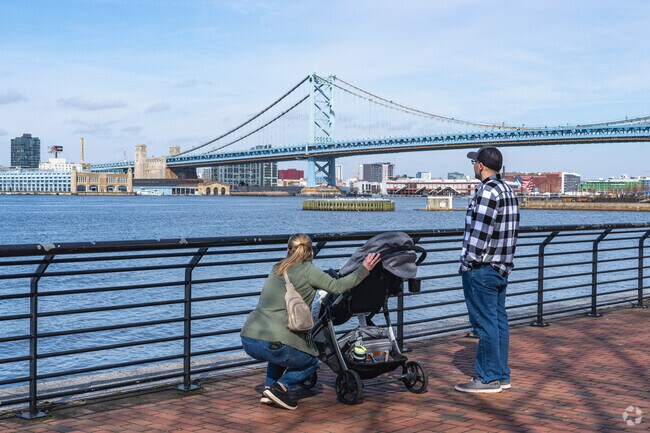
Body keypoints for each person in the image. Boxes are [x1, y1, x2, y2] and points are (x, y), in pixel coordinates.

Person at [240, 233, 381, 410]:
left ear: (287, 250)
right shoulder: (308, 269)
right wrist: (364, 269)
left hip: (249, 339)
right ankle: (280, 387)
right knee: (312, 361)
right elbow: (337, 287)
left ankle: (268, 390)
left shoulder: (276, 268)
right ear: (311, 252)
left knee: (277, 350)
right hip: (275, 344)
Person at [455, 146, 520, 394]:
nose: (473, 166)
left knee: (484, 324)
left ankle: (487, 378)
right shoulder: (508, 191)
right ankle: (502, 375)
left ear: (480, 165)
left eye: (474, 163)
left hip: (482, 268)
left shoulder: (486, 193)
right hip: (502, 267)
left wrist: (467, 263)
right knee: (499, 321)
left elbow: (479, 235)